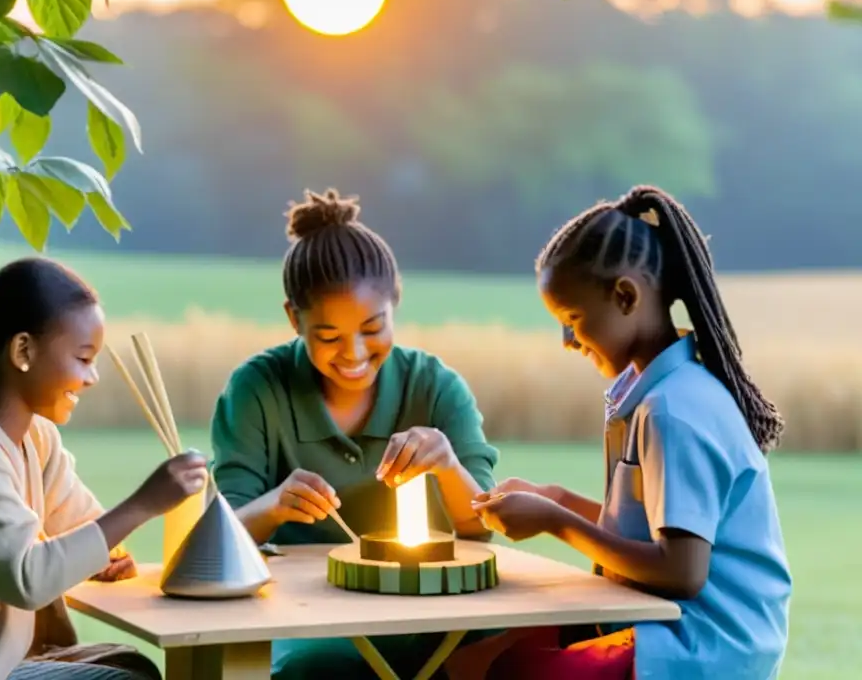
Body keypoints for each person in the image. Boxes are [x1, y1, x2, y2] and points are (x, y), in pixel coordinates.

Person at [445, 185, 792, 680]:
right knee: (471, 659)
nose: (567, 340)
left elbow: (681, 572)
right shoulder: (656, 392)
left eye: (572, 319)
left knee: (507, 669)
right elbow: (652, 533)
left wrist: (554, 521)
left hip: (702, 646)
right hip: (661, 624)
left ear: (625, 296)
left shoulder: (674, 409)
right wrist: (556, 498)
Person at [0, 257, 209, 680]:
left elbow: (82, 524)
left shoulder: (37, 440)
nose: (93, 377)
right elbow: (30, 578)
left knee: (130, 664)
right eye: (83, 358)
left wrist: (106, 553)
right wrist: (144, 504)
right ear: (23, 350)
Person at [210, 188, 501, 679]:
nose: (355, 353)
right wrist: (276, 503)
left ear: (396, 301)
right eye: (328, 338)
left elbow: (481, 526)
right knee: (318, 669)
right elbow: (221, 538)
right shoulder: (258, 388)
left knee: (513, 648)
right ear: (293, 319)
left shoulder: (435, 387)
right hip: (311, 618)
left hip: (433, 611)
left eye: (373, 328)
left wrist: (448, 466)